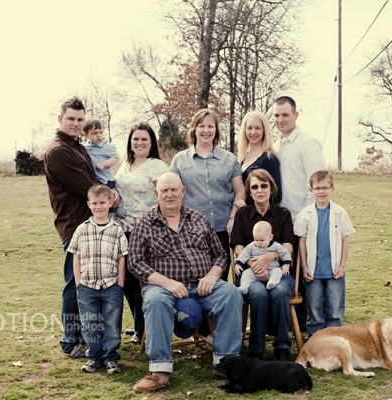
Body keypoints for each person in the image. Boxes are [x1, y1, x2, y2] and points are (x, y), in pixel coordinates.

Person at [128, 171, 242, 393]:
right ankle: (160, 371)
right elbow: (135, 262)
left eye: (174, 189)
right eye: (164, 190)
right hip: (163, 288)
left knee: (231, 293)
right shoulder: (144, 222)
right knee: (155, 301)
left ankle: (226, 362)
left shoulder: (199, 218)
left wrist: (212, 276)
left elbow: (220, 254)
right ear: (156, 194)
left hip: (203, 285)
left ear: (183, 192)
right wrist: (167, 283)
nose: (169, 194)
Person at [44, 97, 99, 358]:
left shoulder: (77, 146)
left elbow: (93, 179)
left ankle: (86, 336)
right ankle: (71, 341)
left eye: (80, 119)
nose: (76, 123)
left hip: (88, 223)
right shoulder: (58, 151)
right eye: (71, 119)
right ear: (60, 119)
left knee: (85, 282)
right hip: (75, 225)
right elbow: (86, 187)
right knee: (75, 284)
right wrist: (109, 196)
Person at [169, 109, 246, 280]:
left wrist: (233, 218)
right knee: (193, 277)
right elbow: (172, 193)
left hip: (223, 229)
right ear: (194, 129)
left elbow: (240, 191)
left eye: (211, 126)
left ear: (216, 130)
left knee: (220, 278)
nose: (206, 130)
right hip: (190, 231)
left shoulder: (229, 159)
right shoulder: (179, 160)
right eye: (201, 126)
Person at [229, 169, 295, 361]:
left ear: (271, 188)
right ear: (249, 191)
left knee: (279, 292)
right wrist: (255, 265)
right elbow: (238, 247)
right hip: (250, 273)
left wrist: (270, 256)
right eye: (254, 187)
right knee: (258, 293)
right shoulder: (242, 215)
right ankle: (256, 350)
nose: (259, 190)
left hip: (279, 271)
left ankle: (282, 347)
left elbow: (289, 246)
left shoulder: (283, 214)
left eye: (264, 185)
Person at [272, 95, 325, 329]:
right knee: (286, 270)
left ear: (295, 115)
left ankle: (305, 323)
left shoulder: (307, 143)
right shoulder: (275, 145)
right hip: (280, 219)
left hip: (300, 218)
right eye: (276, 115)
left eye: (285, 114)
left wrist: (305, 219)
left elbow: (314, 184)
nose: (280, 119)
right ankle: (285, 321)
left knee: (304, 272)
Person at [114, 122, 169, 345]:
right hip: (122, 230)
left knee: (142, 280)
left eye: (144, 139)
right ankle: (139, 325)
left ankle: (144, 330)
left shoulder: (157, 166)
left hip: (146, 231)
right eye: (135, 139)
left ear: (151, 142)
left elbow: (165, 196)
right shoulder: (125, 164)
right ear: (130, 142)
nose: (139, 143)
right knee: (126, 281)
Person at [67, 184, 128, 373]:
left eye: (102, 202)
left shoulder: (117, 230)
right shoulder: (81, 229)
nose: (98, 206)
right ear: (89, 204)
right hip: (87, 286)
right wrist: (78, 283)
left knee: (112, 323)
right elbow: (76, 257)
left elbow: (122, 258)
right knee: (90, 324)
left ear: (110, 203)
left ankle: (110, 357)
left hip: (111, 286)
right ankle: (94, 357)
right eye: (94, 203)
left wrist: (120, 283)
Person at [294, 171, 355, 336]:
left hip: (334, 270)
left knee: (335, 308)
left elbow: (345, 240)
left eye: (325, 188)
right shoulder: (305, 214)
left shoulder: (339, 213)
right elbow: (301, 242)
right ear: (311, 190)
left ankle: (335, 338)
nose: (321, 191)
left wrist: (342, 266)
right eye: (317, 188)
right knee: (314, 308)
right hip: (313, 271)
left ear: (332, 189)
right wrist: (304, 267)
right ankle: (315, 337)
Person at [237, 111, 282, 204]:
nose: (253, 132)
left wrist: (248, 208)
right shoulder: (242, 158)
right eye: (249, 128)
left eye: (257, 128)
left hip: (257, 213)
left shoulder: (269, 158)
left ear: (264, 130)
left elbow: (276, 196)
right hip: (241, 212)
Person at [234, 221, 292, 294]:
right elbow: (244, 254)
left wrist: (286, 265)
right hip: (254, 271)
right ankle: (244, 287)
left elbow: (285, 252)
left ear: (270, 237)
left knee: (278, 272)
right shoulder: (251, 246)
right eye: (256, 240)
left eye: (262, 240)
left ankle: (272, 282)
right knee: (246, 273)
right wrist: (238, 264)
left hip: (272, 269)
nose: (259, 243)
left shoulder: (275, 246)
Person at [82, 117, 119, 189]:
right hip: (94, 179)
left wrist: (104, 164)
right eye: (95, 133)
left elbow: (115, 159)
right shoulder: (85, 146)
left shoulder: (107, 146)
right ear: (86, 135)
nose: (99, 135)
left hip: (106, 180)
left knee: (104, 195)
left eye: (101, 132)